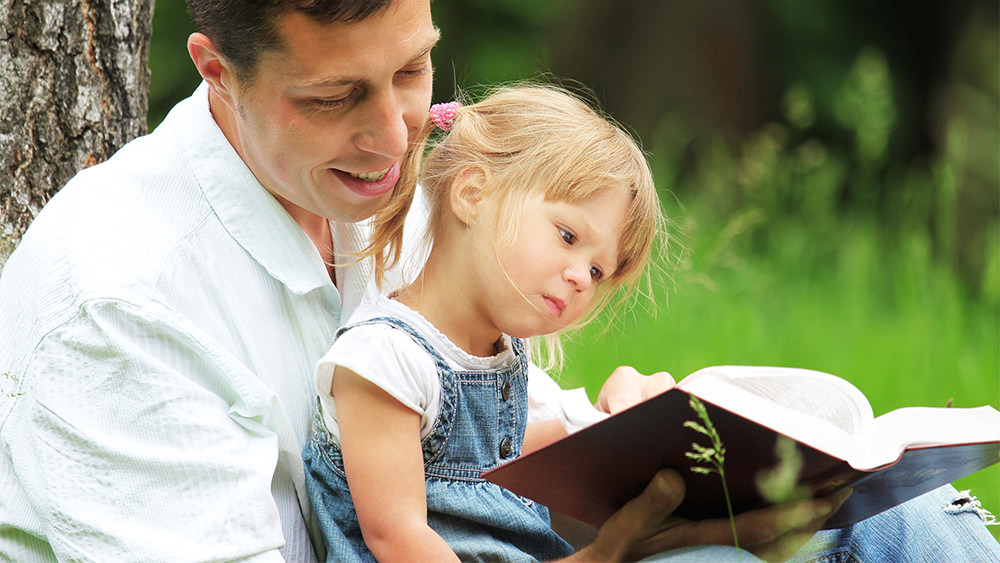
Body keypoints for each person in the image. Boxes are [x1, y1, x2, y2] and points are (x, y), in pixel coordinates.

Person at [0, 1, 995, 561]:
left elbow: (485, 415)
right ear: (217, 71)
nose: (393, 138)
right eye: (332, 96)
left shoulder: (429, 185)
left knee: (898, 515)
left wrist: (635, 438)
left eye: (411, 74)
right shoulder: (120, 296)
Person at [302, 85, 667, 561]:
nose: (581, 278)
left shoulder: (503, 354)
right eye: (567, 235)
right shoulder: (384, 360)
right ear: (472, 193)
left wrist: (605, 427)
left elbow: (485, 467)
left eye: (599, 271)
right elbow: (396, 536)